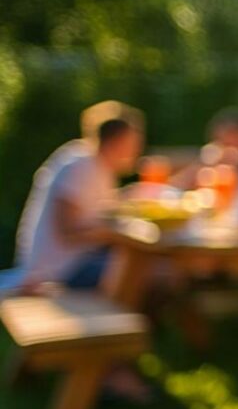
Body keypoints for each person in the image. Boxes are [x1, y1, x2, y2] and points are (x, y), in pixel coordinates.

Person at [15, 111, 144, 290]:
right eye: (133, 145)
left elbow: (94, 212)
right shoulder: (80, 167)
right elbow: (68, 232)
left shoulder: (96, 164)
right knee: (142, 274)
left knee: (141, 269)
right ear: (117, 141)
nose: (137, 152)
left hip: (71, 263)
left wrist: (126, 199)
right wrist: (115, 233)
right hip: (56, 272)